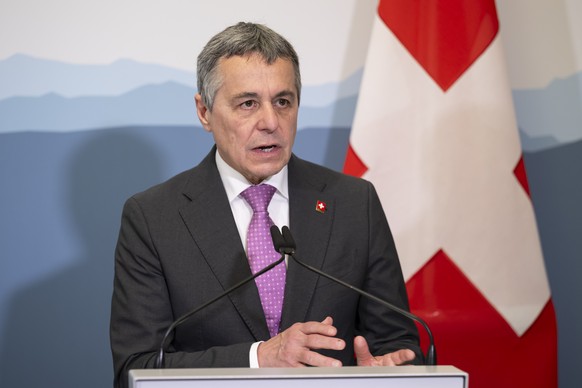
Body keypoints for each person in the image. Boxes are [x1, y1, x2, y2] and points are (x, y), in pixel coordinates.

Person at [110, 22, 422, 388]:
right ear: (204, 111)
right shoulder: (153, 218)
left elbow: (397, 344)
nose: (271, 122)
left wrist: (386, 372)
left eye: (283, 101)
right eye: (247, 103)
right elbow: (137, 367)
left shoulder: (354, 202)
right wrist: (259, 357)